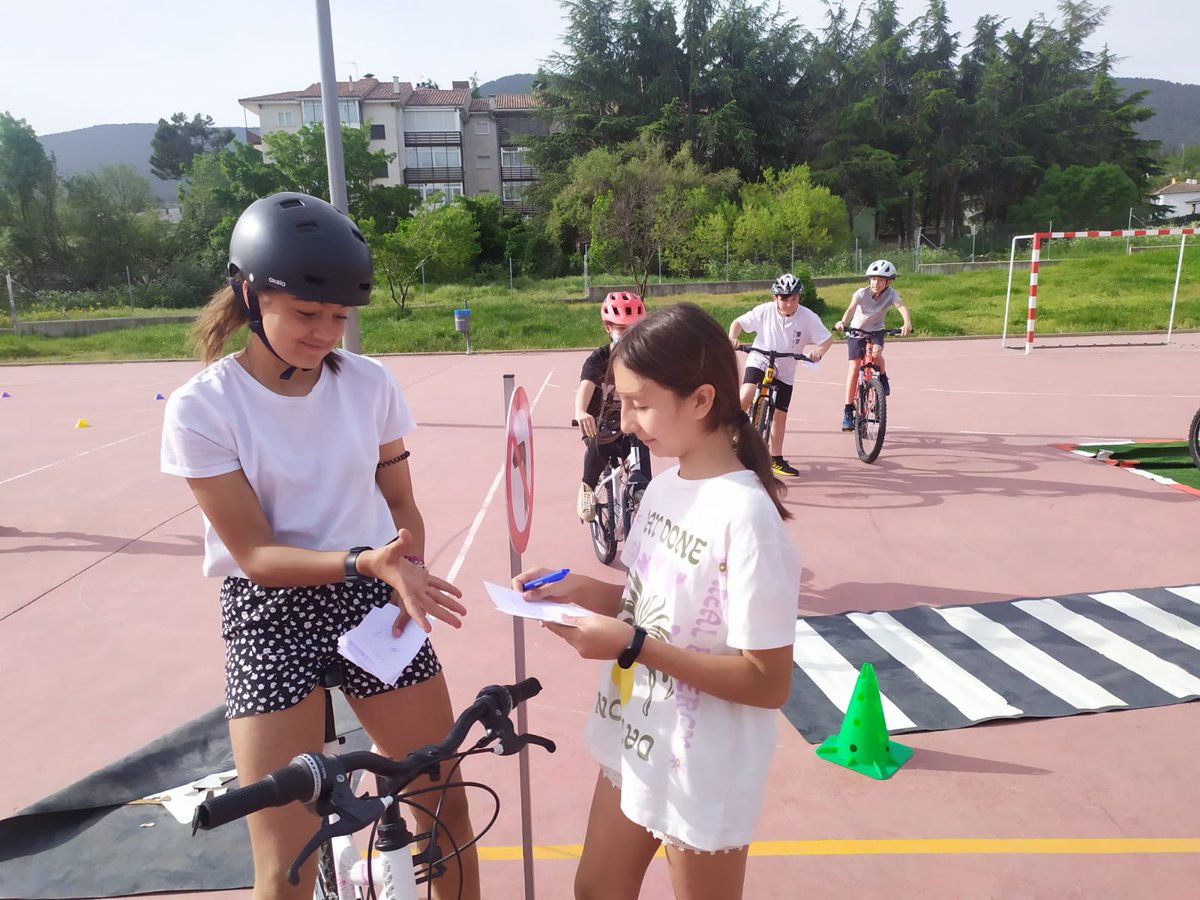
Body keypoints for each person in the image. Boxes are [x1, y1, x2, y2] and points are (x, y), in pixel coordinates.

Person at [160, 191, 479, 900]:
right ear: (248, 295)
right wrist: (369, 561)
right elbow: (255, 557)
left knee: (443, 806)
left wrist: (408, 569)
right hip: (270, 613)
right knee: (289, 853)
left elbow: (401, 506)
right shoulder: (203, 408)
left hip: (374, 596)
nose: (327, 332)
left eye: (339, 316)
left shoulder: (369, 385)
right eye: (307, 314)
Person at [517, 302, 801, 900]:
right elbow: (660, 602)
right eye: (621, 402)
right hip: (637, 735)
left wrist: (633, 646)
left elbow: (767, 681)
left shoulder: (748, 519)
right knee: (594, 889)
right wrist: (587, 593)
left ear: (701, 400)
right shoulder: (665, 488)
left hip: (702, 766)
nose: (625, 421)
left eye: (641, 404)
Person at [727, 272, 833, 476]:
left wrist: (819, 352)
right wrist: (733, 338)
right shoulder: (764, 311)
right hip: (760, 358)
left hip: (786, 366)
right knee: (746, 394)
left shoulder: (808, 316)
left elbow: (826, 339)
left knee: (781, 415)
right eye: (784, 299)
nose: (789, 304)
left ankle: (776, 459)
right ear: (775, 297)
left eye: (794, 299)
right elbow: (737, 323)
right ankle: (729, 431)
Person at [574, 291, 652, 522]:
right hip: (602, 425)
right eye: (621, 329)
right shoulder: (598, 360)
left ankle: (641, 490)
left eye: (634, 330)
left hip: (632, 426)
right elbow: (585, 387)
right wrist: (580, 412)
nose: (628, 336)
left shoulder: (645, 359)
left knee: (644, 441)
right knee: (600, 441)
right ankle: (587, 488)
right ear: (608, 328)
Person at [834, 259, 912, 431]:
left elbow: (902, 307)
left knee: (876, 355)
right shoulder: (861, 293)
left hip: (877, 331)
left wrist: (907, 323)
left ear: (888, 282)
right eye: (873, 279)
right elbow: (851, 309)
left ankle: (882, 377)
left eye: (880, 280)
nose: (876, 283)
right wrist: (842, 321)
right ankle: (848, 411)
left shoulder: (891, 294)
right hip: (856, 331)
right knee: (854, 368)